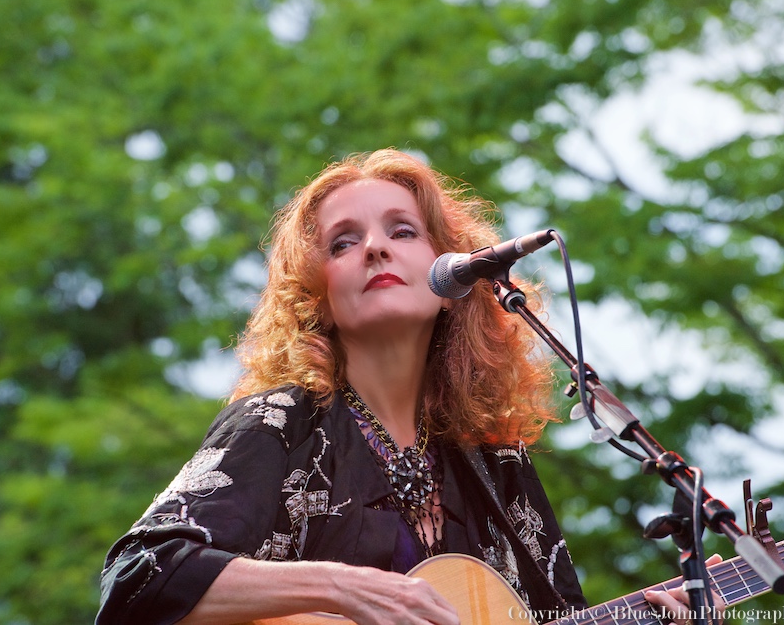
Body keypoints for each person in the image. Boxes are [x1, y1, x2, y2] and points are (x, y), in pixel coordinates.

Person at [96, 148, 718, 625]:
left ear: (453, 278)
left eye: (403, 231)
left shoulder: (494, 462)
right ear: (318, 296)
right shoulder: (281, 422)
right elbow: (136, 579)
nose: (374, 249)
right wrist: (345, 589)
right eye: (343, 242)